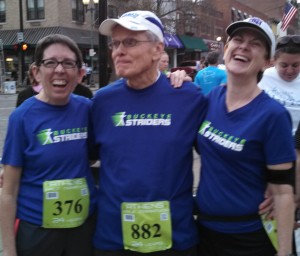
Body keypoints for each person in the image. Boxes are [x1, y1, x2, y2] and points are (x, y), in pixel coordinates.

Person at [91, 10, 207, 255]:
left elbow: (218, 155)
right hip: (113, 238)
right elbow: (81, 157)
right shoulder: (102, 101)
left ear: (158, 50)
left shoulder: (189, 97)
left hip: (175, 237)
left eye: (130, 42)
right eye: (116, 43)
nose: (118, 51)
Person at [195, 17, 295, 256]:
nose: (243, 46)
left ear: (266, 62)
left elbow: (282, 192)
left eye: (255, 44)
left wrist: (284, 251)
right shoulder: (209, 100)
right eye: (237, 40)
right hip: (204, 230)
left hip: (248, 236)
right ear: (226, 49)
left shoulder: (273, 115)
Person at [1, 34, 97, 256]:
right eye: (51, 62)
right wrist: (9, 250)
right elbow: (8, 192)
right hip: (38, 230)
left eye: (68, 63)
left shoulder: (87, 109)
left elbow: (93, 154)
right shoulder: (22, 117)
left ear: (79, 73)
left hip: (82, 226)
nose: (60, 70)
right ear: (36, 71)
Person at [258, 35, 300, 135]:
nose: (290, 71)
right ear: (274, 61)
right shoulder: (262, 76)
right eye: (284, 65)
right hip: (265, 137)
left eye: (295, 65)